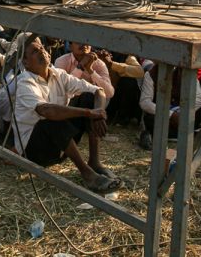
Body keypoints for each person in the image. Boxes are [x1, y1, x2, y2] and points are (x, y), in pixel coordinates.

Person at [13, 35, 121, 193]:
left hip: (58, 144)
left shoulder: (58, 74)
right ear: (26, 62)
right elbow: (47, 111)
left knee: (88, 97)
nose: (42, 52)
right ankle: (88, 174)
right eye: (35, 51)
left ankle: (94, 162)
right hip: (35, 150)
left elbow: (100, 91)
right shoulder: (25, 81)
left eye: (42, 48)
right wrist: (89, 113)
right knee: (52, 116)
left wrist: (98, 113)